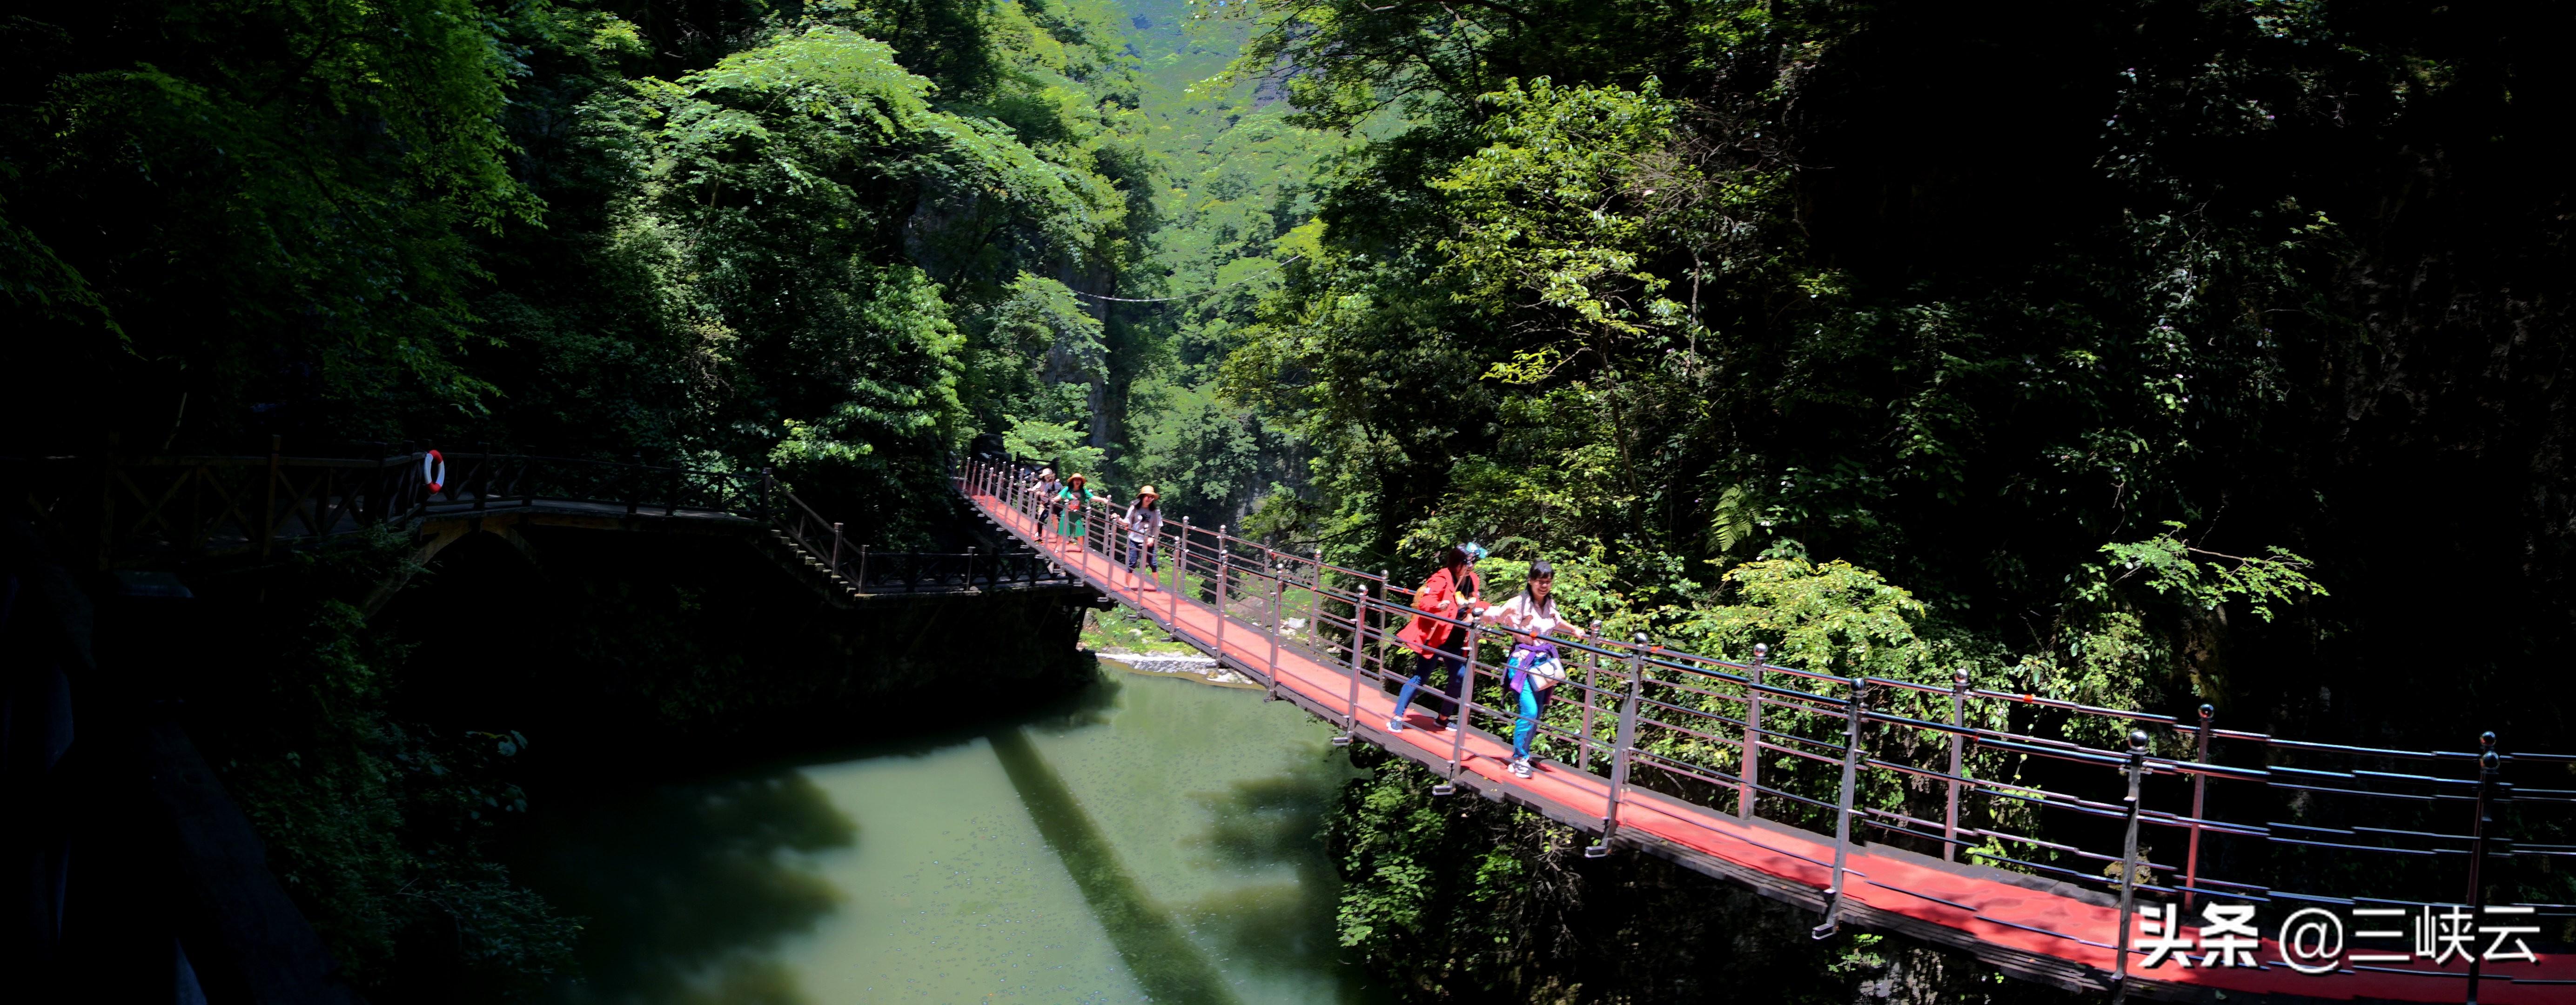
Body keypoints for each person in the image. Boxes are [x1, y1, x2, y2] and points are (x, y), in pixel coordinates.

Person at [1386, 543, 1487, 732]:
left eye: (1472, 564)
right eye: (1466, 564)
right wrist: (1439, 606)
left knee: (1459, 678)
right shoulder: (1442, 578)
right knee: (1421, 677)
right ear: (1456, 563)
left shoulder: (1472, 579)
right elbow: (1426, 603)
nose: (1470, 568)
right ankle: (1398, 716)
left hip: (1456, 636)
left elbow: (1475, 602)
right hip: (1435, 635)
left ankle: (1443, 718)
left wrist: (1485, 610)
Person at [1500, 617, 1568, 778]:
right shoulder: (1520, 603)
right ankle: (1519, 758)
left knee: (1536, 715)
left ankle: (1523, 754)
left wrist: (1575, 630)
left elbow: (1557, 619)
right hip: (1522, 663)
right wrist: (1515, 629)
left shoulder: (1549, 606)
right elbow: (1500, 616)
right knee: (1530, 712)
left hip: (1542, 663)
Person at [1117, 485, 1164, 589]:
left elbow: (1158, 526)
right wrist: (1119, 520)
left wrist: (1153, 538)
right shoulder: (1134, 508)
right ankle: (1127, 585)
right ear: (1142, 497)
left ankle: (1157, 586)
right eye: (1147, 496)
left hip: (1149, 540)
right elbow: (1127, 521)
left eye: (1152, 497)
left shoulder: (1156, 511)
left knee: (1153, 564)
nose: (1149, 499)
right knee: (1132, 563)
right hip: (1135, 538)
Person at [1055, 473, 1100, 546]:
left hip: (1077, 514)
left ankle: (1082, 549)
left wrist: (1104, 500)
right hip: (1067, 513)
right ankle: (1057, 548)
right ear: (1073, 481)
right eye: (1076, 480)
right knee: (1062, 531)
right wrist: (1053, 500)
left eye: (1079, 480)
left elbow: (1092, 497)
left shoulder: (1083, 491)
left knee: (1080, 531)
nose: (1078, 481)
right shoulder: (1068, 489)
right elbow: (1060, 496)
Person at [1030, 466, 1062, 540]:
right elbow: (1034, 489)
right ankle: (1039, 533)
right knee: (1041, 517)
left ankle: (1059, 533)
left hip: (1054, 504)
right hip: (1044, 503)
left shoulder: (1055, 484)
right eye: (1045, 476)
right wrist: (1037, 491)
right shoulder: (1041, 483)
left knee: (1055, 519)